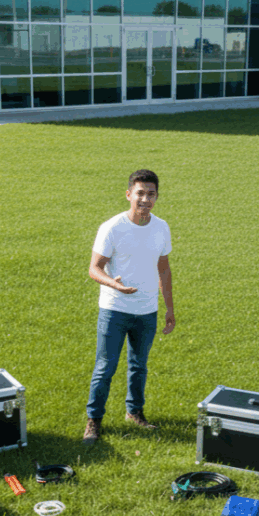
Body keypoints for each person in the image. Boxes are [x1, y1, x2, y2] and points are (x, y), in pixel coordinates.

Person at [83, 169, 175, 443]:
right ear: (128, 195)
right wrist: (115, 285)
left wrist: (169, 309)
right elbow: (94, 269)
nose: (145, 199)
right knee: (105, 367)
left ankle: (134, 413)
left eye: (151, 194)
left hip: (147, 311)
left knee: (139, 365)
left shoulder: (161, 227)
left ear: (157, 197)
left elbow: (164, 270)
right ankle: (93, 421)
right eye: (140, 193)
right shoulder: (112, 227)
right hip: (115, 309)